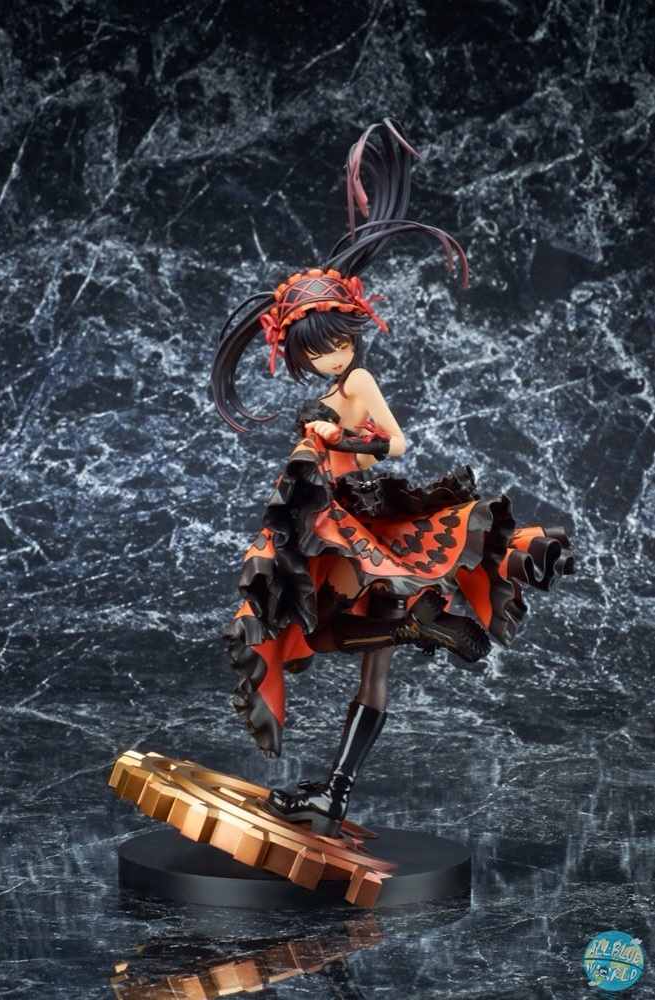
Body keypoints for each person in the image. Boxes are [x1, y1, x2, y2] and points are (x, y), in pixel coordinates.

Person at [210, 120, 574, 837]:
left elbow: (394, 442)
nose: (331, 358)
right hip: (329, 511)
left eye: (338, 343)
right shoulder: (329, 384)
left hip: (349, 518)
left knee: (328, 617)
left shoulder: (359, 381)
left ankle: (411, 623)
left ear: (354, 330)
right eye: (316, 353)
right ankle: (335, 792)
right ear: (296, 355)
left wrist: (339, 436)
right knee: (358, 656)